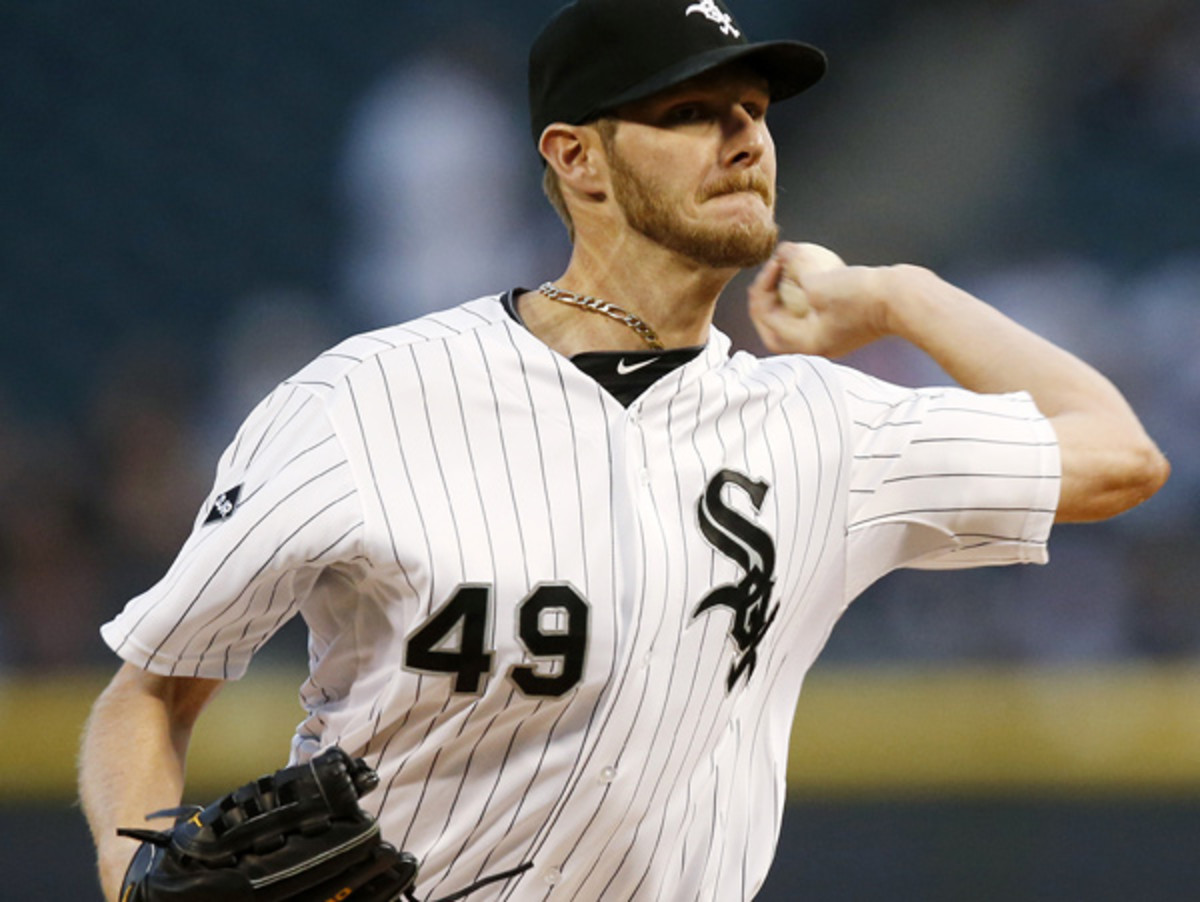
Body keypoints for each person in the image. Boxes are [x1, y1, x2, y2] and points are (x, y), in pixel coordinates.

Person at [78, 1, 1169, 900]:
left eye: (754, 109)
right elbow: (150, 692)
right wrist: (134, 878)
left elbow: (1119, 454)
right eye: (692, 111)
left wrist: (898, 295)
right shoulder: (365, 396)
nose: (744, 136)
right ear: (579, 158)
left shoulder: (827, 427)